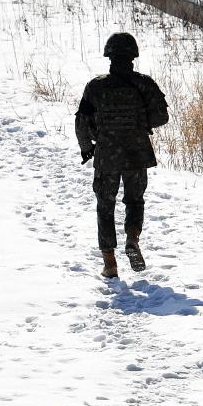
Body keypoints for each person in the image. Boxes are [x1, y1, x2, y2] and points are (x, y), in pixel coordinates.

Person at [75, 32, 168, 279]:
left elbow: (81, 121)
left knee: (105, 205)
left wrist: (87, 147)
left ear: (109, 55)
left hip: (107, 155)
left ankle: (110, 264)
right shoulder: (145, 84)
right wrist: (138, 122)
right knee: (135, 201)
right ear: (133, 55)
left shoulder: (95, 86)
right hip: (137, 153)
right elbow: (162, 117)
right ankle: (132, 239)